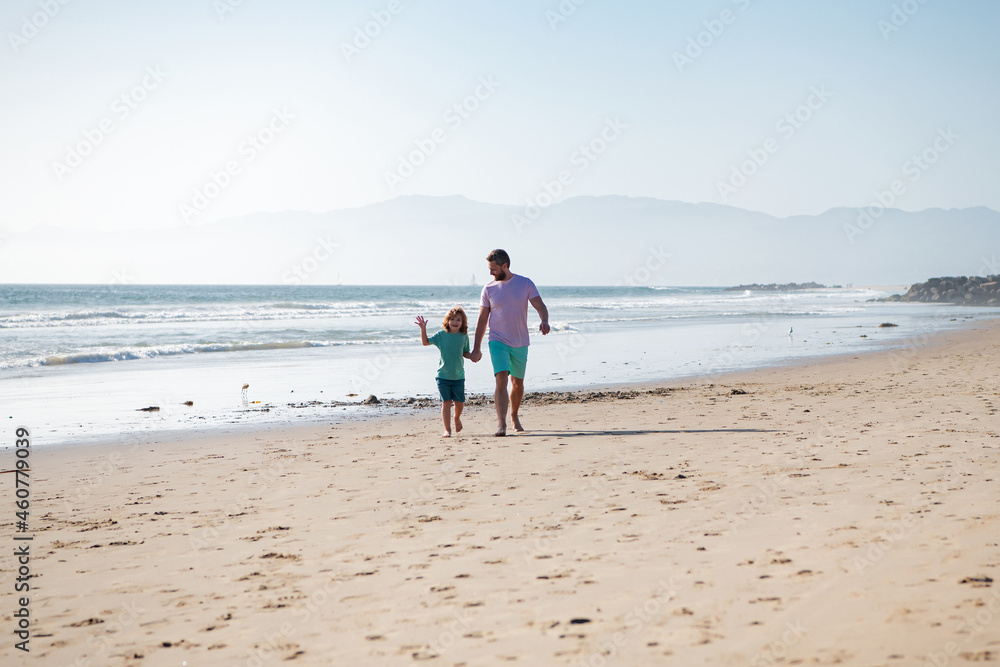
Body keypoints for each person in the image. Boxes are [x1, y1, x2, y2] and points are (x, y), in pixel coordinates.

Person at [470, 249, 549, 436]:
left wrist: (544, 320)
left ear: (505, 266)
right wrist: (476, 347)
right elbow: (482, 320)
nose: (490, 273)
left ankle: (514, 415)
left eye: (493, 269)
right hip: (497, 340)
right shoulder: (488, 289)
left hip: (520, 341)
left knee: (517, 383)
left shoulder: (525, 283)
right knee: (501, 378)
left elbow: (540, 306)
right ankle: (501, 424)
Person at [416, 306, 472, 437]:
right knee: (446, 402)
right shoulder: (441, 335)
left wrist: (474, 356)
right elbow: (425, 342)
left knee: (459, 403)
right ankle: (447, 430)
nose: (455, 322)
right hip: (443, 376)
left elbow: (466, 353)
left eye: (458, 319)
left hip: (458, 376)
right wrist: (423, 329)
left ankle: (456, 418)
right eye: (452, 319)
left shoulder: (464, 336)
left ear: (462, 322)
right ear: (447, 321)